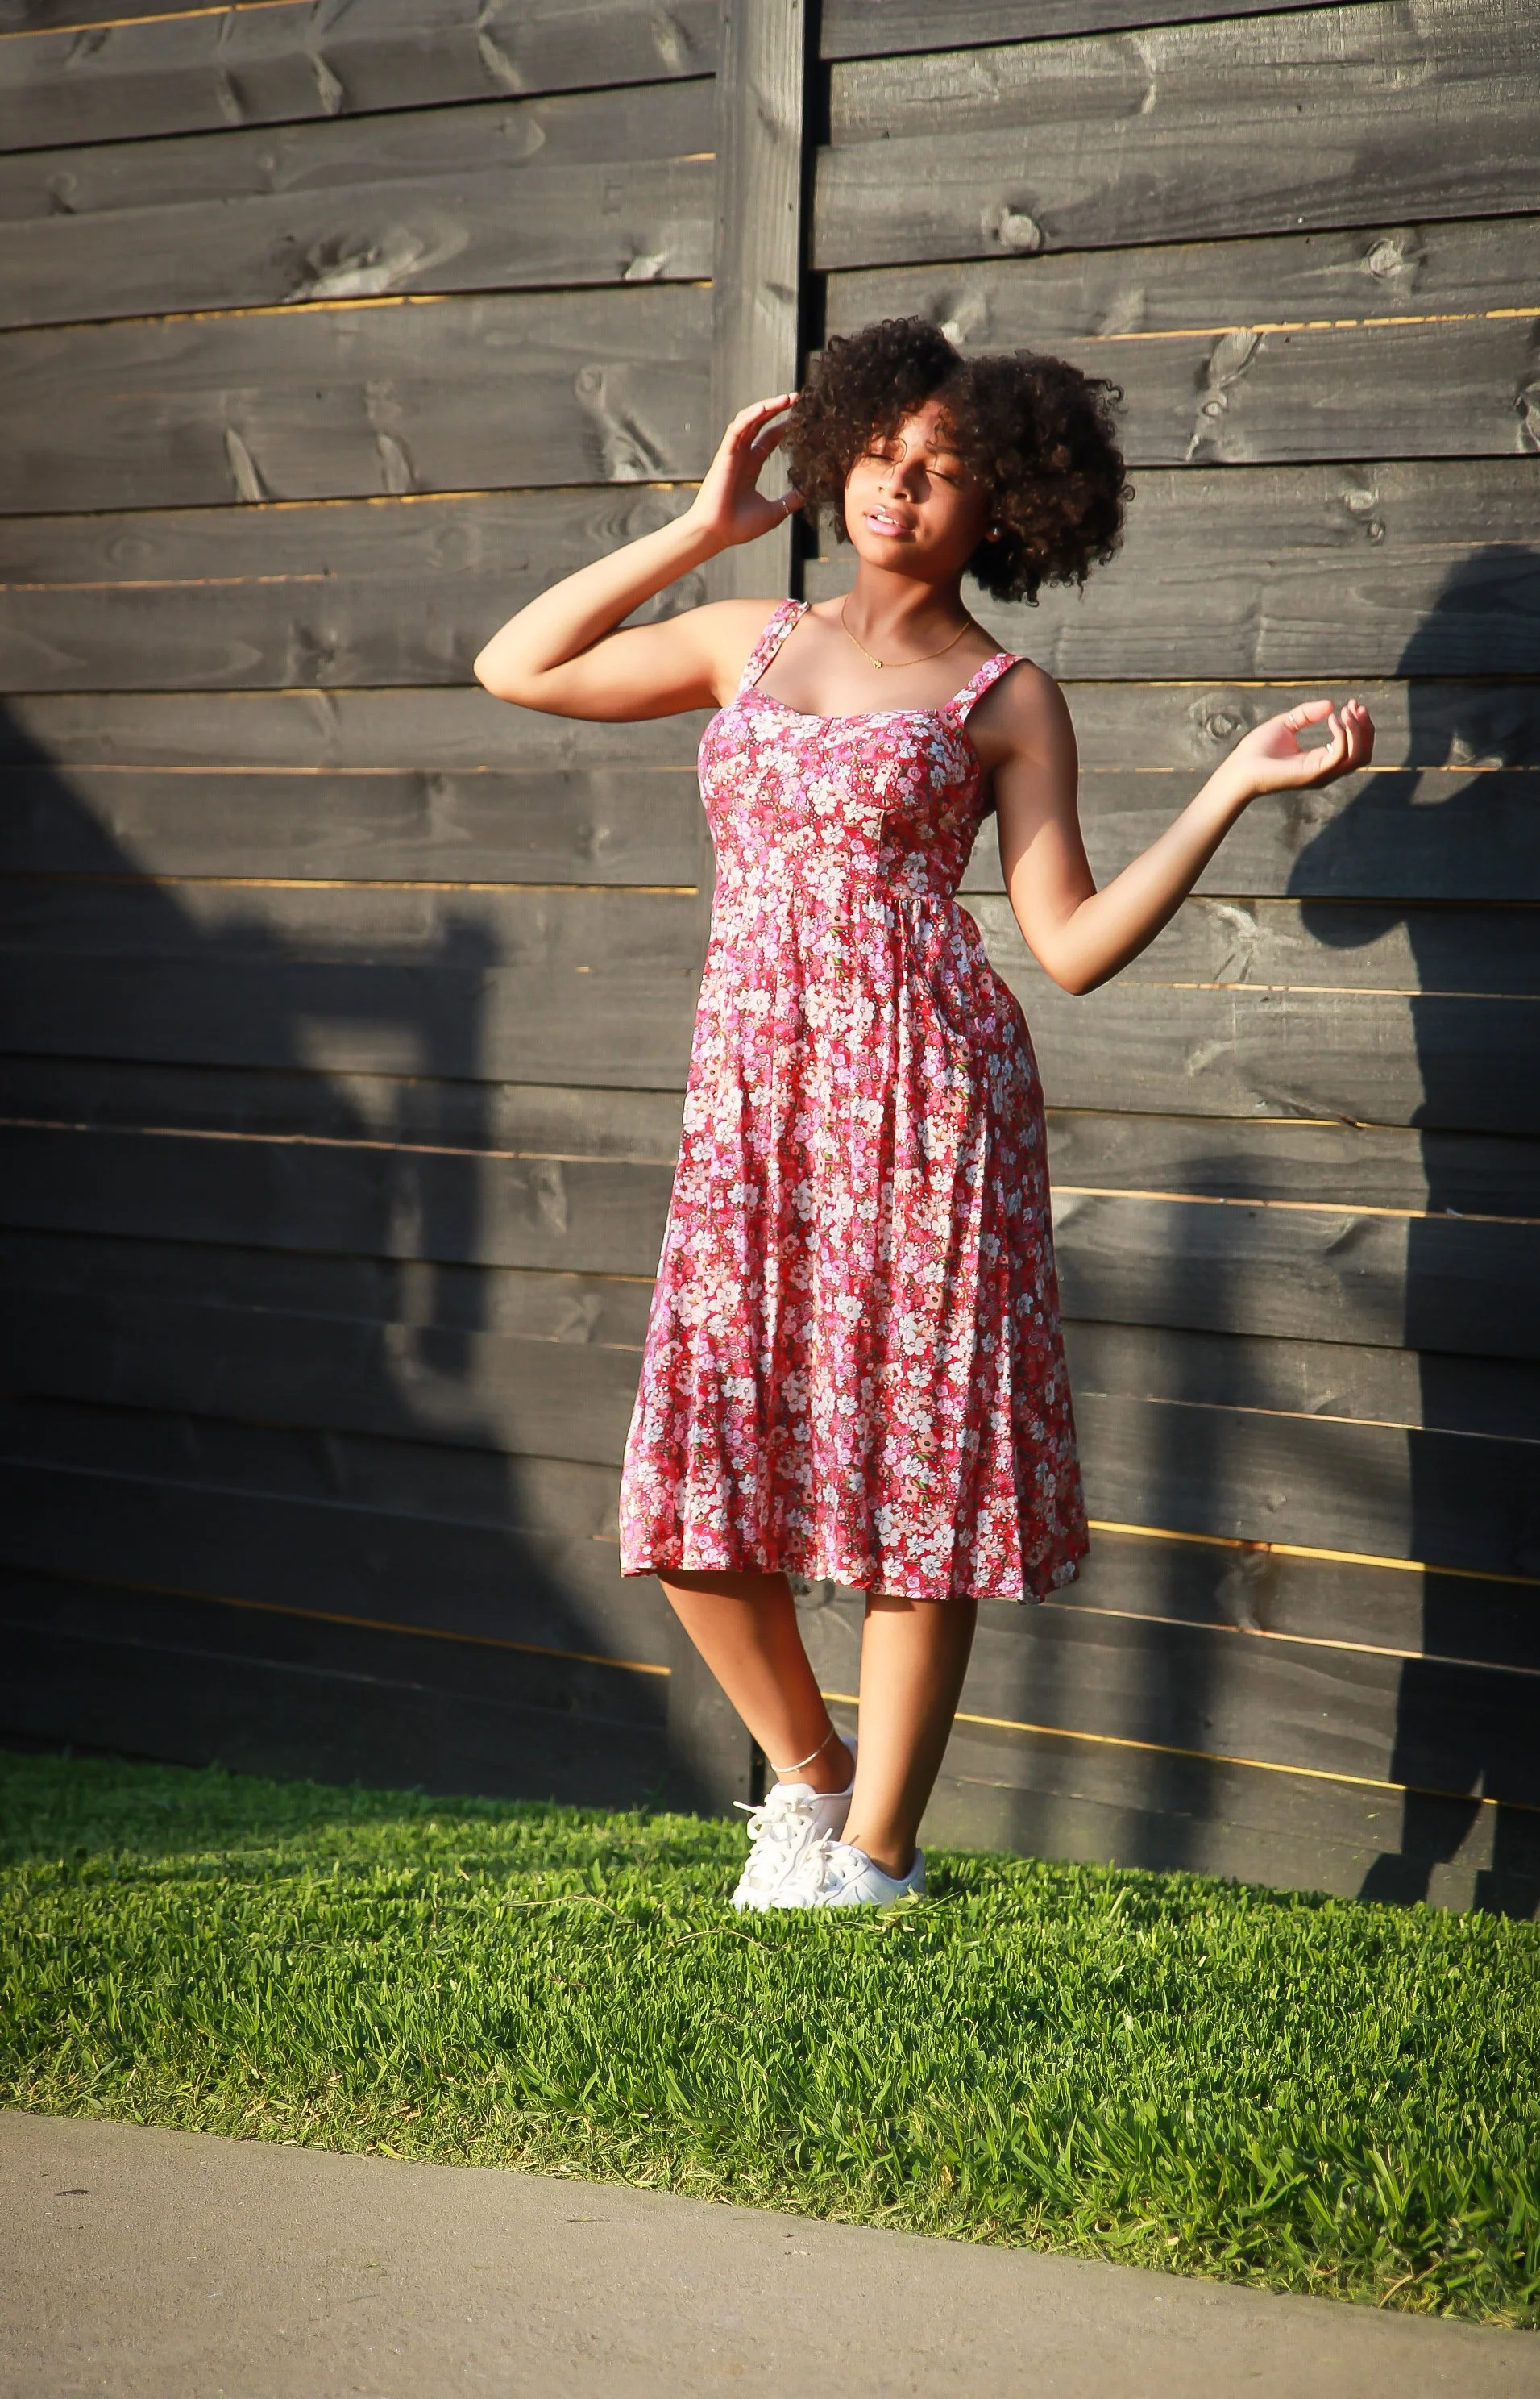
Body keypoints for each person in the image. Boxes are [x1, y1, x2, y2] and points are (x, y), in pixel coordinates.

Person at [475, 317, 1373, 1912]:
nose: (901, 489)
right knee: (695, 1500)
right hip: (750, 1108)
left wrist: (1227, 789)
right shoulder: (743, 635)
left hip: (927, 1102)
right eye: (886, 453)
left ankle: (876, 1858)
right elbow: (514, 665)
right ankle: (809, 1779)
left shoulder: (1003, 696)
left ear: (1003, 512)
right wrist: (699, 528)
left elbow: (1073, 948)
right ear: (844, 455)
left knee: (914, 1486)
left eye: (945, 472)